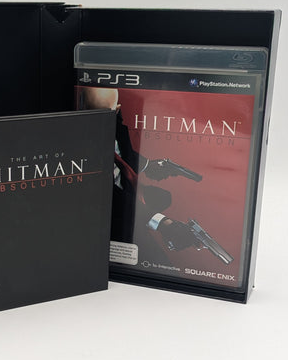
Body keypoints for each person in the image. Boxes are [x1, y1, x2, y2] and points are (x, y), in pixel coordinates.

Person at [81, 87, 200, 256]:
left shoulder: (115, 124)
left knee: (164, 197)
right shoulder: (81, 146)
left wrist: (148, 165)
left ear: (117, 110)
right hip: (108, 214)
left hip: (130, 193)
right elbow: (107, 195)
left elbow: (122, 152)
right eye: (93, 113)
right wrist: (161, 221)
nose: (97, 121)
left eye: (104, 114)